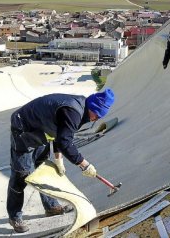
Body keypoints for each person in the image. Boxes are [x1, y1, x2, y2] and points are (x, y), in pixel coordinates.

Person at [7, 88, 115, 233]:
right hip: (24, 126)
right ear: (92, 106)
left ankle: (51, 207)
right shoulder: (73, 111)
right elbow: (65, 142)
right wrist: (84, 164)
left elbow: (61, 133)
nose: (96, 118)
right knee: (21, 174)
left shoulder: (84, 111)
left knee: (43, 168)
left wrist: (58, 158)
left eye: (99, 116)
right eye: (96, 114)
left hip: (42, 128)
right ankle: (15, 216)